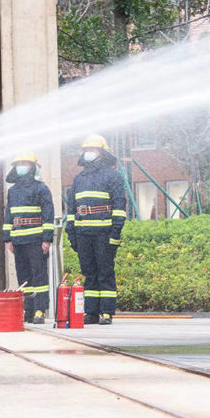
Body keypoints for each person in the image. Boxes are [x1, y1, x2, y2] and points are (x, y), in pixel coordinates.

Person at [65, 134, 127, 325]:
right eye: (86, 150)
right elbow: (72, 209)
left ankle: (106, 312)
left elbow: (119, 207)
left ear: (103, 152)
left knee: (105, 271)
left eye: (93, 150)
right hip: (83, 233)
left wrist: (115, 233)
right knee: (89, 273)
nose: (89, 153)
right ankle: (91, 312)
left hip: (104, 233)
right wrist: (71, 233)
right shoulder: (79, 179)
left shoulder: (113, 177)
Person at [2, 153, 54, 324]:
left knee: (39, 276)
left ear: (32, 166)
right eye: (19, 163)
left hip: (35, 239)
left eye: (25, 163)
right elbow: (8, 214)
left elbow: (48, 215)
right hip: (18, 240)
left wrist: (46, 239)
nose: (21, 166)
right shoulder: (13, 190)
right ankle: (29, 310)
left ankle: (40, 310)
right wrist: (7, 238)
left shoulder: (41, 189)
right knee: (24, 277)